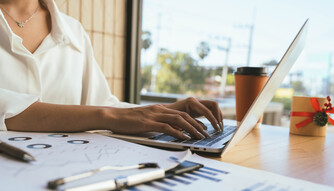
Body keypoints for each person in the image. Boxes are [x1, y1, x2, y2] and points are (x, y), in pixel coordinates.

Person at [0, 0, 223, 140]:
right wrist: (109, 115)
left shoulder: (73, 31)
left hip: (69, 174)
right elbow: (106, 114)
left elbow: (103, 105)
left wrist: (165, 111)